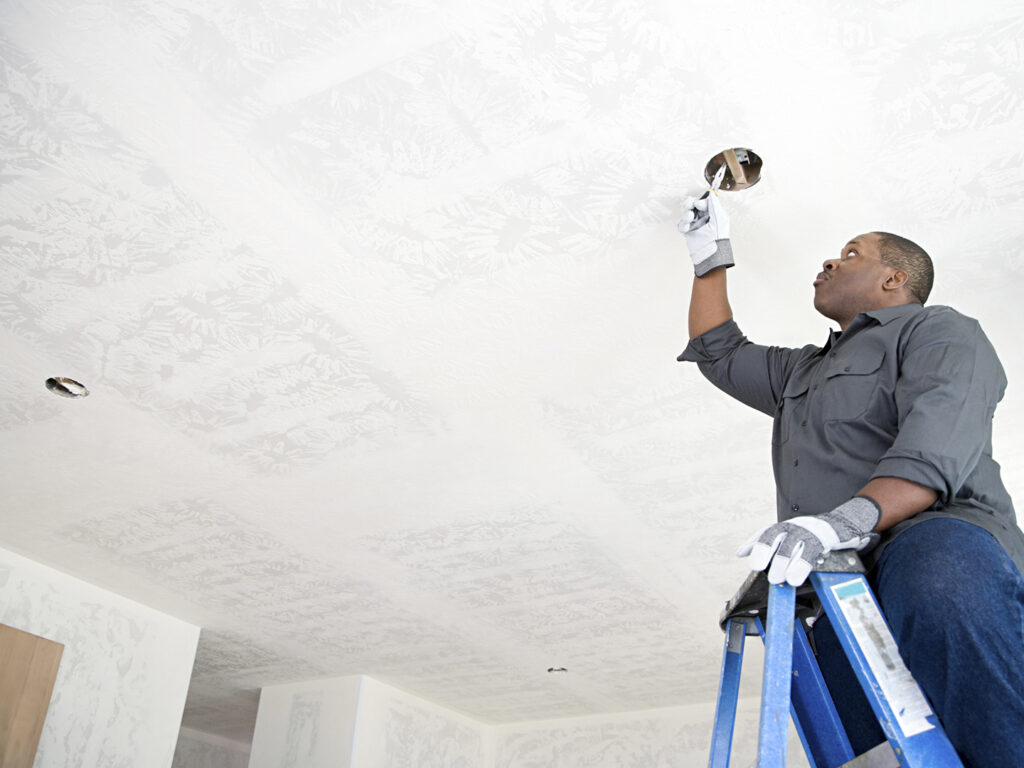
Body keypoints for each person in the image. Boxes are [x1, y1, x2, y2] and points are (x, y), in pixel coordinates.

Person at [677, 188, 1024, 767]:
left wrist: (841, 522)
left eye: (851, 253)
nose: (830, 261)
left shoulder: (939, 331)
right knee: (841, 723)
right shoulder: (800, 370)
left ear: (894, 279)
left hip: (938, 539)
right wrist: (708, 256)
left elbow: (934, 448)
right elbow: (718, 352)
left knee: (940, 583)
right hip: (846, 578)